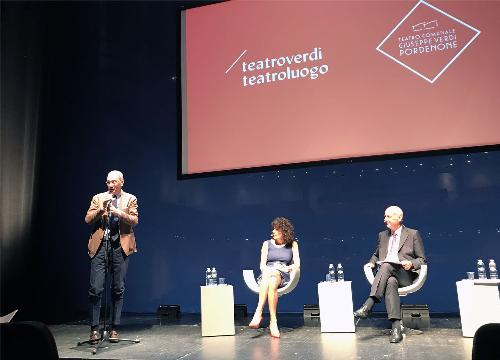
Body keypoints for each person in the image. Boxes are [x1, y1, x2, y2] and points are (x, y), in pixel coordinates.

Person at [353, 205, 426, 343]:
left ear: (399, 218)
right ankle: (396, 328)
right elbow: (376, 255)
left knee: (386, 264)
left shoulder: (412, 234)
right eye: (385, 216)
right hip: (389, 275)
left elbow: (422, 259)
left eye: (388, 216)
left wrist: (411, 264)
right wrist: (372, 263)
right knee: (391, 281)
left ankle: (368, 304)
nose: (384, 219)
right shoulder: (382, 235)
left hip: (405, 274)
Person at [85, 170, 138, 343]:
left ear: (122, 182)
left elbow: (134, 220)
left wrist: (118, 213)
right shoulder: (98, 198)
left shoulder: (130, 198)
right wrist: (102, 210)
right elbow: (88, 219)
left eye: (114, 182)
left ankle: (115, 328)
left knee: (117, 288)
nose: (110, 185)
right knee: (96, 288)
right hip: (100, 245)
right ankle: (94, 329)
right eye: (108, 182)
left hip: (119, 246)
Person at [248, 217, 300, 338]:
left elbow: (297, 263)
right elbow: (262, 265)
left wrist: (289, 268)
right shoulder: (266, 244)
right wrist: (269, 270)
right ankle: (273, 322)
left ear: (284, 231)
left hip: (282, 274)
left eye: (276, 229)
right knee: (270, 278)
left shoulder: (292, 244)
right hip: (267, 274)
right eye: (273, 229)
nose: (273, 232)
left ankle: (258, 312)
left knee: (274, 275)